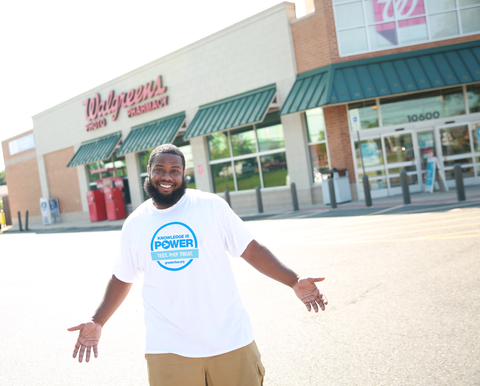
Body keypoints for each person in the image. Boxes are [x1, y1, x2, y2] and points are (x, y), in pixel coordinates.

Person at [68, 144, 327, 386]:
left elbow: (251, 249)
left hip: (230, 340)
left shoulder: (211, 206)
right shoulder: (136, 223)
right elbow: (123, 277)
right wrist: (98, 321)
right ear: (148, 172)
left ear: (184, 174)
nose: (166, 176)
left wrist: (293, 280)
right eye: (159, 169)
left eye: (174, 171)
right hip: (168, 348)